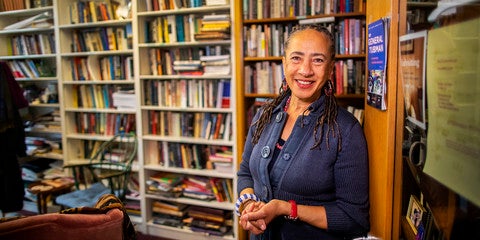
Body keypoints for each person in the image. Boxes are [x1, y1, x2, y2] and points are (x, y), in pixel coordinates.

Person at [236, 24, 370, 239]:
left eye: (318, 60)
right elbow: (245, 174)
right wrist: (248, 204)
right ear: (284, 62)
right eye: (296, 58)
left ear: (330, 68)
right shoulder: (265, 115)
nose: (305, 70)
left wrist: (285, 208)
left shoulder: (345, 130)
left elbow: (353, 219)